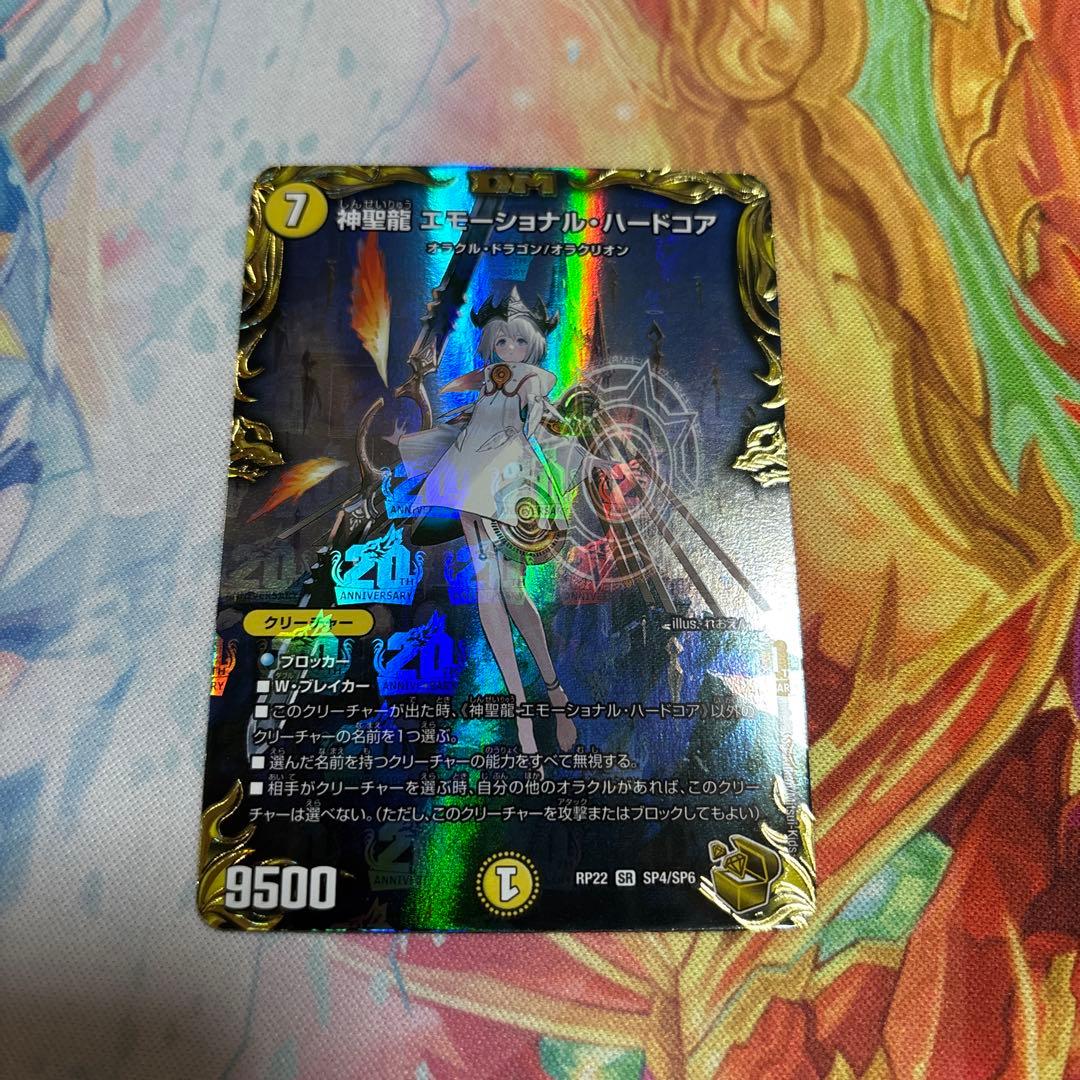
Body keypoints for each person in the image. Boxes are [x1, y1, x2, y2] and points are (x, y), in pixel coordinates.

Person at [397, 288, 585, 756]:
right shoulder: (485, 384)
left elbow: (545, 417)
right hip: (470, 477)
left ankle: (555, 693)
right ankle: (522, 714)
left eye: (519, 341)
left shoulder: (533, 379)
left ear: (534, 344)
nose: (509, 349)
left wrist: (564, 439)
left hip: (512, 483)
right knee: (488, 590)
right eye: (501, 341)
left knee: (513, 590)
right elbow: (468, 407)